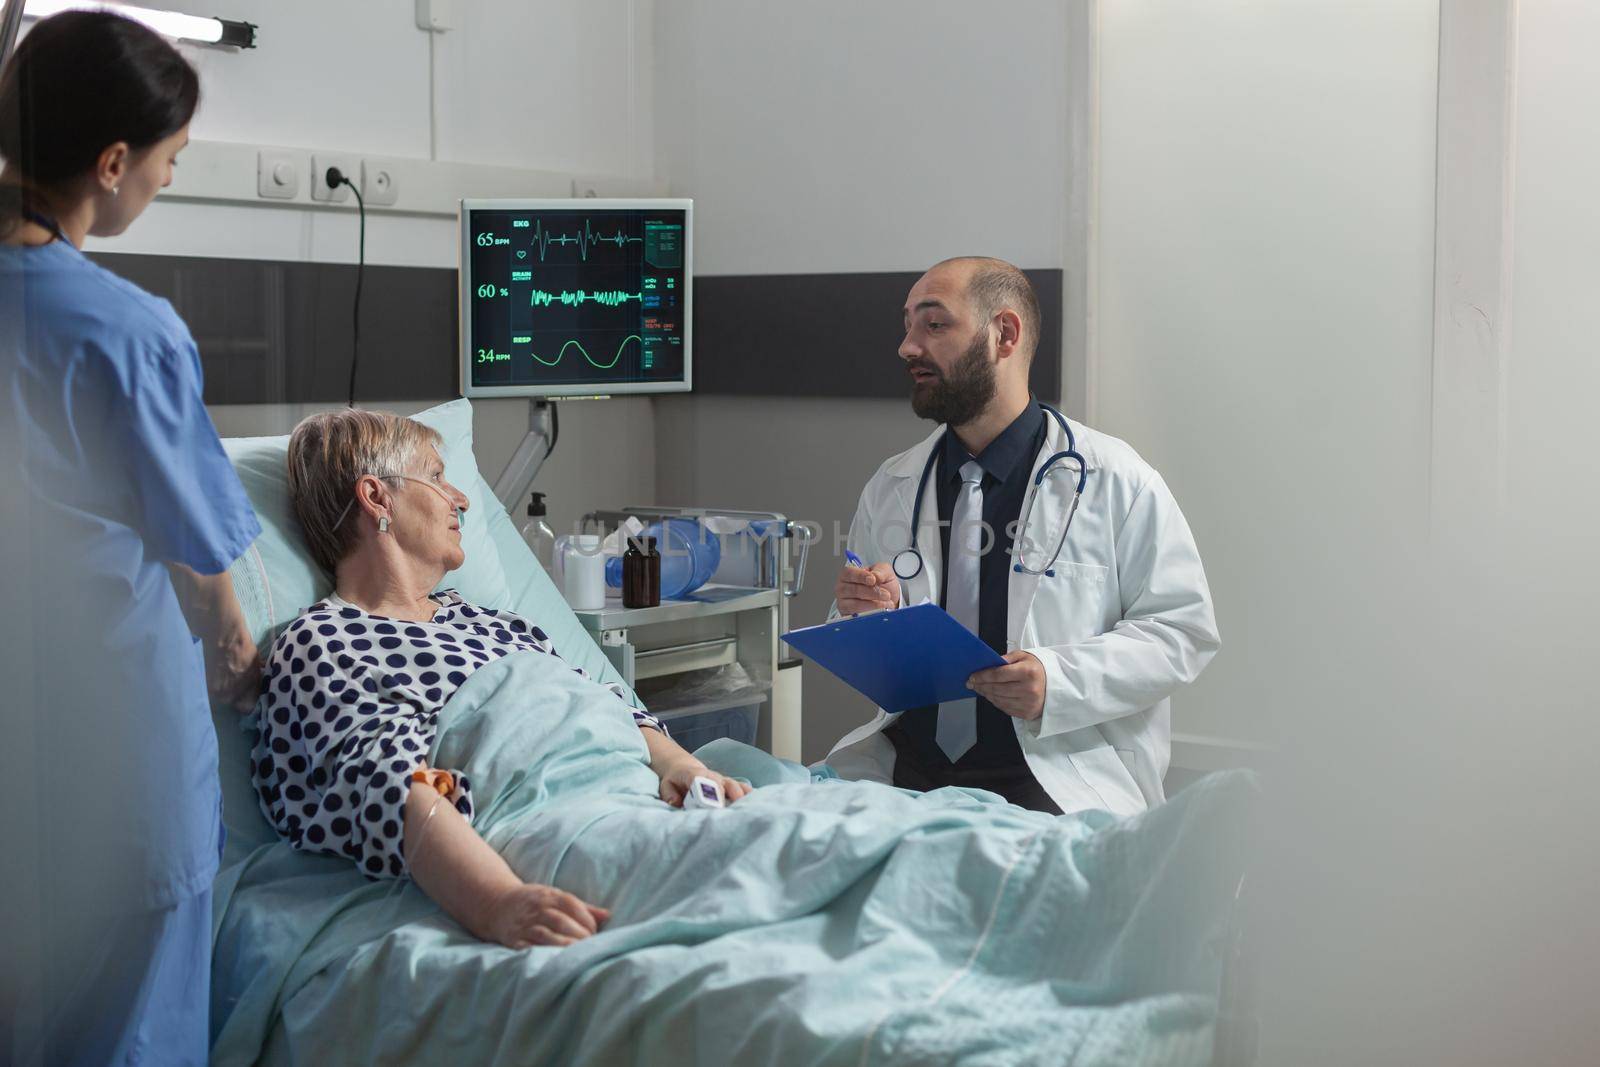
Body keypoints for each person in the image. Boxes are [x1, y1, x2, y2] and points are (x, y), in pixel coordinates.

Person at [0, 13, 261, 1066]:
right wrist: (236, 645)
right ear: (112, 163)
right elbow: (200, 549)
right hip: (114, 748)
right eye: (166, 164)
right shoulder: (122, 329)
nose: (161, 183)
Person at [253, 409, 749, 948]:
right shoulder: (326, 641)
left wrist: (682, 765)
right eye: (437, 476)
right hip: (550, 820)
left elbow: (604, 699)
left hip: (646, 794)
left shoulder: (483, 619)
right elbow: (391, 785)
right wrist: (496, 902)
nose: (461, 499)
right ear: (377, 498)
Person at [825, 257, 1218, 816]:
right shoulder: (894, 483)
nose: (907, 347)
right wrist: (862, 611)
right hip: (909, 778)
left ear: (1003, 334)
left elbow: (1182, 630)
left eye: (933, 325)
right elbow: (871, 645)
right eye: (908, 325)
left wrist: (1057, 681)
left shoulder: (1116, 480)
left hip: (1056, 780)